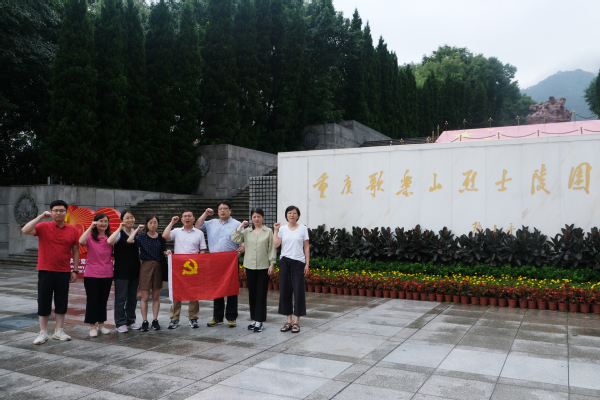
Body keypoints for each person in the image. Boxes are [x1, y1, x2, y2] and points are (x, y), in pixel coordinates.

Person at [22, 200, 79, 344]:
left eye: (61, 210)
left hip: (63, 270)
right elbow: (25, 230)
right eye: (55, 210)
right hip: (45, 270)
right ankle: (43, 332)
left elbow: (75, 250)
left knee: (61, 301)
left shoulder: (72, 229)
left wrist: (75, 270)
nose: (58, 213)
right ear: (51, 212)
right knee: (44, 300)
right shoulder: (43, 226)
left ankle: (59, 331)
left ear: (66, 212)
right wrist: (40, 217)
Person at [195, 200, 244, 328]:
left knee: (231, 289)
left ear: (230, 210)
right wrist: (205, 214)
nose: (222, 211)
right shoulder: (211, 223)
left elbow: (243, 240)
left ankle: (231, 317)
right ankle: (217, 317)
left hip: (230, 260)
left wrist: (243, 246)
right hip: (215, 261)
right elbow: (198, 226)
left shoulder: (237, 224)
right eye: (220, 209)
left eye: (225, 208)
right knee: (217, 289)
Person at [231, 208, 276, 332]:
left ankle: (260, 321)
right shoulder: (247, 232)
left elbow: (272, 248)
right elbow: (235, 239)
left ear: (263, 218)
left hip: (263, 266)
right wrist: (241, 226)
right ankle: (254, 319)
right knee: (252, 294)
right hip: (250, 266)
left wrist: (272, 264)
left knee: (261, 294)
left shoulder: (268, 231)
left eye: (259, 216)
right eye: (254, 217)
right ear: (251, 218)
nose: (256, 219)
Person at [163, 210, 207, 329]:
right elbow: (165, 236)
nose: (187, 218)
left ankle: (193, 318)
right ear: (182, 219)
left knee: (194, 293)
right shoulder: (177, 231)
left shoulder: (199, 233)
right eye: (185, 216)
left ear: (193, 218)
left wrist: (199, 260)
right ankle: (174, 319)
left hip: (193, 267)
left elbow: (203, 249)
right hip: (179, 268)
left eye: (189, 216)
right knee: (177, 292)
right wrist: (172, 222)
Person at [273, 205, 309, 334]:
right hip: (285, 262)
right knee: (285, 291)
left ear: (298, 215)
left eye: (294, 213)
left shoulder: (303, 228)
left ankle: (296, 322)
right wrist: (275, 230)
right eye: (289, 213)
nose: (292, 215)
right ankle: (289, 321)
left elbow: (306, 247)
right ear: (286, 215)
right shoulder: (282, 229)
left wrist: (307, 264)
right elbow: (276, 244)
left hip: (298, 263)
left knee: (299, 292)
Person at [128, 215, 166, 332]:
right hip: (145, 266)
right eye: (150, 222)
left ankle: (155, 320)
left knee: (156, 296)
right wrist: (137, 229)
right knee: (144, 297)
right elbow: (129, 240)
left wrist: (167, 252)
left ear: (158, 224)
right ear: (147, 224)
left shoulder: (161, 237)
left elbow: (164, 250)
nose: (153, 225)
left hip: (158, 266)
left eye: (155, 222)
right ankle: (145, 321)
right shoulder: (141, 237)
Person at [79, 213, 113, 337]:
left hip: (107, 273)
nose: (103, 223)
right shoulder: (90, 237)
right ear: (95, 222)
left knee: (103, 301)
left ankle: (101, 325)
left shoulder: (110, 237)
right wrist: (90, 227)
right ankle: (92, 326)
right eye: (100, 221)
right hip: (92, 274)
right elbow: (81, 241)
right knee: (92, 300)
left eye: (105, 221)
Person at [107, 209, 141, 333]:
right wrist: (119, 228)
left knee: (132, 298)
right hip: (121, 271)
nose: (130, 220)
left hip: (134, 270)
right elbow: (110, 241)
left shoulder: (137, 233)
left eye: (132, 217)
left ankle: (131, 320)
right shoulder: (119, 233)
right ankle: (120, 322)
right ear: (122, 220)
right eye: (127, 218)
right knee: (121, 298)